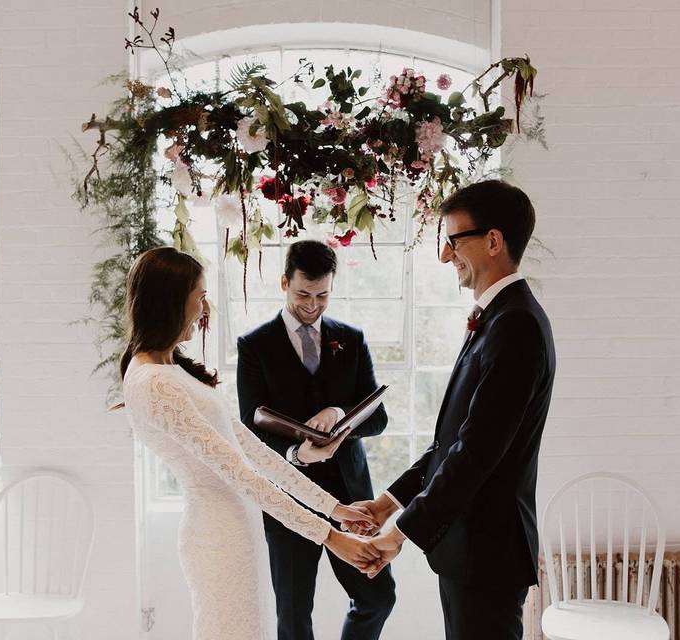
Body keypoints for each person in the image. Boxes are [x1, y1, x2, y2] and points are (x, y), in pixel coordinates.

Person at [120, 246, 380, 640]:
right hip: (217, 534)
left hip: (236, 529)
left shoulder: (169, 369)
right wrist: (329, 534)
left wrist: (336, 510)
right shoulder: (156, 383)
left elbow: (256, 453)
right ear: (172, 301)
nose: (205, 309)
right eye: (200, 297)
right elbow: (242, 474)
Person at [359, 180, 556, 640]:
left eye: (453, 241)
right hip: (469, 550)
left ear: (493, 241)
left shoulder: (517, 326)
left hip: (488, 552)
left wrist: (398, 535)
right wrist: (386, 504)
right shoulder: (500, 318)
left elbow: (475, 453)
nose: (446, 256)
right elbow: (451, 443)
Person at [236, 240, 396, 640]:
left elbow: (377, 418)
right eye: (303, 294)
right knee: (293, 615)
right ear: (284, 283)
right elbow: (249, 429)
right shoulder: (254, 346)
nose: (312, 305)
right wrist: (296, 453)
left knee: (378, 597)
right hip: (289, 498)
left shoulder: (351, 339)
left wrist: (340, 415)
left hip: (351, 493)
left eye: (322, 295)